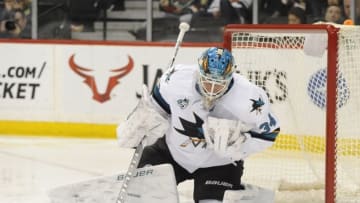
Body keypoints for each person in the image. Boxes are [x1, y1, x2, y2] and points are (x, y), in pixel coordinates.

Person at [116, 47, 280, 202]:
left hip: (219, 164)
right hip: (171, 153)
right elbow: (157, 110)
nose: (212, 90)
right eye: (208, 82)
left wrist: (241, 144)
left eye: (219, 84)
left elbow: (270, 133)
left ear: (231, 78)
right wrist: (141, 124)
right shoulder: (175, 80)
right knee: (143, 197)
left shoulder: (250, 98)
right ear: (198, 72)